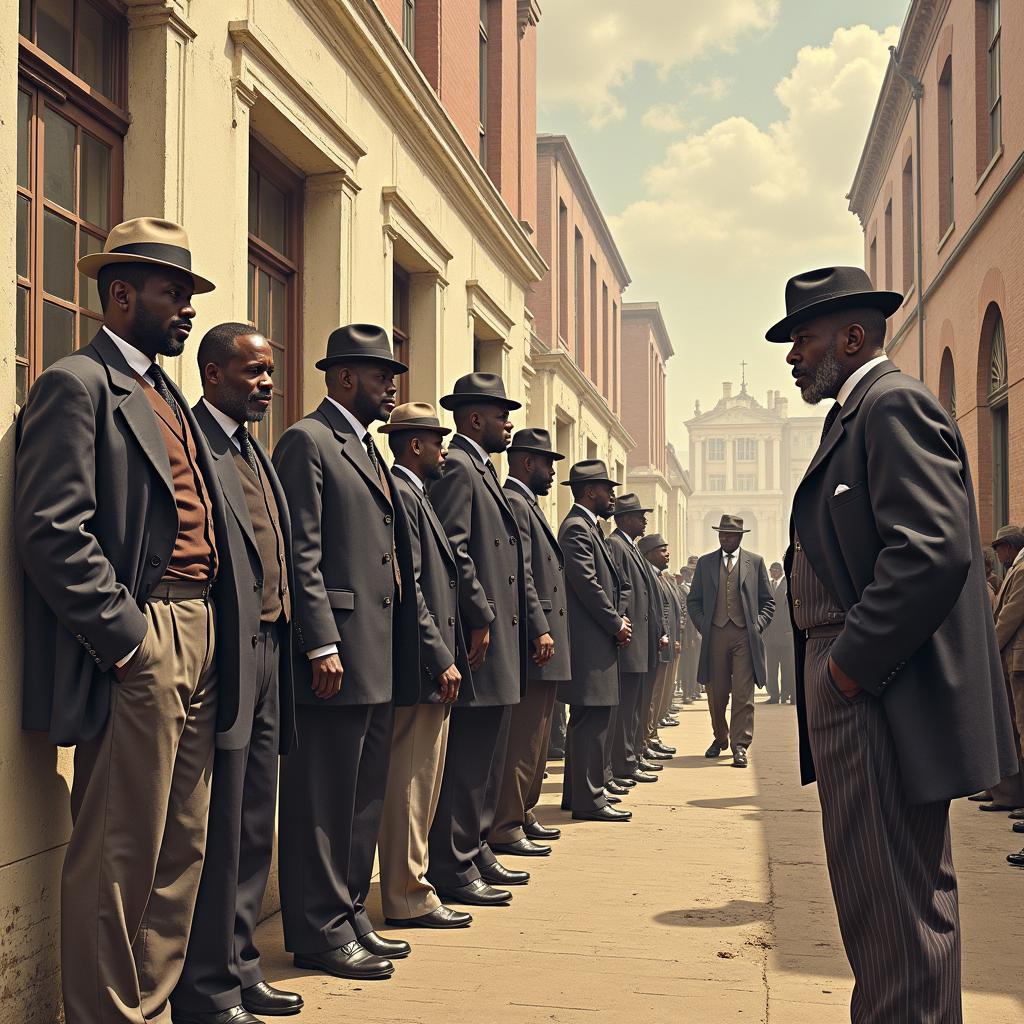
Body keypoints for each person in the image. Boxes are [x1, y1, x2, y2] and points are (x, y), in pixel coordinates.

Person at [767, 264, 1016, 1022]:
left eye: (802, 339)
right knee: (883, 904)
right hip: (860, 685)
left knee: (894, 905)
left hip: (874, 691)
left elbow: (933, 549)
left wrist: (847, 670)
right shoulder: (858, 411)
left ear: (852, 336)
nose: (792, 356)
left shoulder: (889, 405)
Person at [16, 217, 227, 1024]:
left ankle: (145, 1007)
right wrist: (128, 639)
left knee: (180, 848)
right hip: (148, 636)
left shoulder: (167, 391)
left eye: (189, 295)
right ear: (121, 294)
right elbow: (50, 528)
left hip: (202, 634)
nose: (187, 310)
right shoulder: (78, 383)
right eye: (175, 294)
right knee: (117, 849)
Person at [273, 325, 420, 982]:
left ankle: (348, 912)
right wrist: (321, 639)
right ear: (341, 379)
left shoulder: (363, 448)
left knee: (361, 796)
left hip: (377, 652)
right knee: (321, 803)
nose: (391, 385)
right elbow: (299, 552)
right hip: (336, 654)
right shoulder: (308, 441)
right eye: (378, 374)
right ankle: (318, 932)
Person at [174, 326, 301, 1023]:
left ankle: (242, 964)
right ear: (214, 371)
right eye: (253, 372)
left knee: (255, 819)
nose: (266, 384)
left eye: (270, 373)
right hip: (225, 653)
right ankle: (207, 987)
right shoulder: (196, 442)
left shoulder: (254, 448)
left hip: (272, 649)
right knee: (218, 827)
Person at [427, 373, 529, 906]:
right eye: (500, 414)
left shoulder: (479, 468)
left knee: (486, 755)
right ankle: (453, 862)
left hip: (499, 639)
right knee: (468, 759)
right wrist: (481, 615)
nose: (508, 422)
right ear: (473, 419)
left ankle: (475, 846)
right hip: (479, 639)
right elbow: (453, 549)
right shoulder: (460, 470)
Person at [377, 403, 474, 930]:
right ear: (415, 445)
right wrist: (440, 656)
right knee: (411, 785)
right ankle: (408, 894)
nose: (444, 450)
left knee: (421, 783)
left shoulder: (418, 494)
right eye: (438, 441)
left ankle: (411, 887)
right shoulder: (404, 493)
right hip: (422, 666)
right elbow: (411, 586)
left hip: (430, 663)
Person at [489, 428, 570, 856]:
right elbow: (525, 574)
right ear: (526, 464)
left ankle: (523, 811)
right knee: (523, 738)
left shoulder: (528, 504)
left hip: (545, 639)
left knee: (537, 738)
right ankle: (506, 822)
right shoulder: (517, 503)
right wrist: (540, 627)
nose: (552, 473)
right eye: (547, 464)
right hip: (532, 640)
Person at [557, 461, 632, 822]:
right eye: (607, 489)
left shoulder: (588, 527)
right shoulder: (576, 528)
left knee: (589, 719)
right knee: (592, 720)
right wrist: (615, 622)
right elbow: (588, 584)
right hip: (590, 641)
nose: (612, 496)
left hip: (595, 639)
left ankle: (579, 796)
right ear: (590, 492)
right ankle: (590, 801)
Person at [686, 515, 774, 768]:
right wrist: (704, 624)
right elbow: (694, 601)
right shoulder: (705, 563)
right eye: (722, 534)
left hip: (744, 637)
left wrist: (757, 626)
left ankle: (740, 745)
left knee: (744, 694)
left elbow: (768, 601)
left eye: (730, 535)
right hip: (715, 635)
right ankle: (720, 737)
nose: (725, 538)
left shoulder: (755, 563)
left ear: (740, 537)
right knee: (716, 692)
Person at [607, 495, 667, 789]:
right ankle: (623, 764)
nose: (644, 520)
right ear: (623, 519)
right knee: (626, 710)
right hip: (629, 641)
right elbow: (618, 592)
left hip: (642, 642)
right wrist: (620, 623)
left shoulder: (630, 547)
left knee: (635, 708)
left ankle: (632, 757)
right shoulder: (616, 546)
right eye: (638, 515)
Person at [991, 527, 1024, 865]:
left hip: (1016, 661)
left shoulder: (1022, 571)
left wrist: (990, 650)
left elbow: (1010, 616)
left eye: (1000, 548)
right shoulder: (1016, 570)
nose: (998, 554)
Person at [642, 535, 684, 744]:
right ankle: (648, 737)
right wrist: (665, 634)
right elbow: (659, 611)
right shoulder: (650, 576)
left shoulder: (662, 577)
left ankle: (652, 733)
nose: (667, 554)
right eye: (662, 550)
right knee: (652, 694)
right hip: (658, 642)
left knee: (660, 692)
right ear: (649, 554)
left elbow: (672, 610)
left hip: (667, 641)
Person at [762, 562, 796, 705]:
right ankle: (774, 695)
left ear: (780, 571)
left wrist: (790, 629)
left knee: (788, 667)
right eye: (771, 571)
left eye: (774, 571)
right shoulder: (769, 586)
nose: (772, 573)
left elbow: (790, 611)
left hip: (785, 634)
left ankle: (788, 694)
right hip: (770, 636)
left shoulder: (788, 585)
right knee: (772, 668)